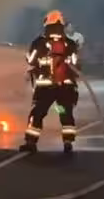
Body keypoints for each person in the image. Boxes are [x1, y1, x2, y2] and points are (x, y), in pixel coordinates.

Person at [20, 10, 80, 154]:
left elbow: (31, 60)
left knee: (38, 113)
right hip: (65, 88)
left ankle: (31, 143)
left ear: (46, 24)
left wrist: (30, 58)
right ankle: (68, 142)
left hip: (46, 88)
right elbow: (76, 64)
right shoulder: (70, 43)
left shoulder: (39, 42)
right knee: (64, 112)